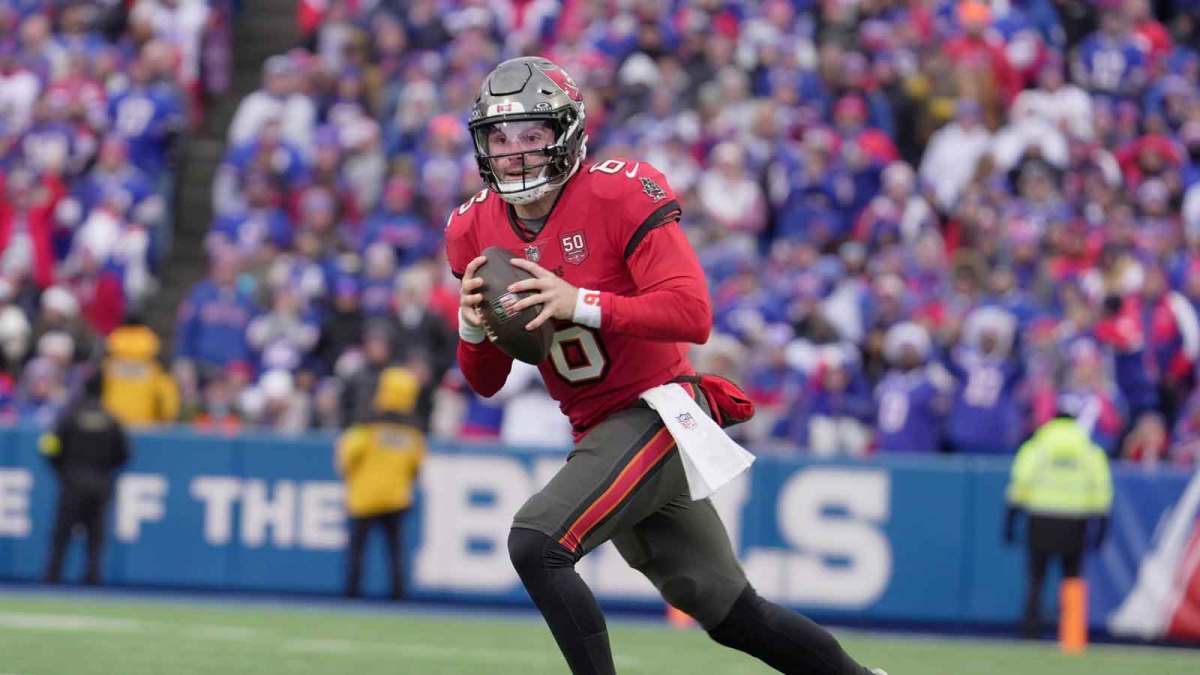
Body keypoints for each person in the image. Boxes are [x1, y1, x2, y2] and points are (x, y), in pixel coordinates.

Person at [446, 56, 885, 675]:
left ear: (567, 135)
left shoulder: (618, 190)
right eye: (500, 138)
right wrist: (471, 329)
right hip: (598, 429)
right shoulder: (471, 229)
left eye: (533, 135)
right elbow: (485, 382)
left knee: (537, 542)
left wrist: (580, 302)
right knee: (732, 613)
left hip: (658, 409)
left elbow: (691, 312)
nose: (515, 153)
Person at [1004, 394, 1114, 638]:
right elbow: (1101, 488)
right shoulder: (1088, 448)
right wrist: (1102, 525)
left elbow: (1021, 481)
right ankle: (1072, 634)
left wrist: (1010, 520)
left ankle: (1030, 631)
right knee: (1072, 577)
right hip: (1075, 520)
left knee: (1036, 577)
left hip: (1041, 517)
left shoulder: (1038, 444)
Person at [335, 367, 426, 599]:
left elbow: (347, 455)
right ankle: (398, 594)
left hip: (364, 496)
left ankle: (352, 593)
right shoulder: (412, 432)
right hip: (396, 496)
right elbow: (416, 465)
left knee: (357, 549)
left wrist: (352, 477)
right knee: (395, 550)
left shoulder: (366, 426)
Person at [39, 371, 131, 585]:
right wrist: (105, 472)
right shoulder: (111, 419)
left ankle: (52, 577)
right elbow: (124, 453)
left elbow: (49, 446)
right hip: (100, 482)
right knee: (96, 536)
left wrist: (62, 471)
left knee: (62, 533)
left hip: (72, 481)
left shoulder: (69, 417)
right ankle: (93, 579)